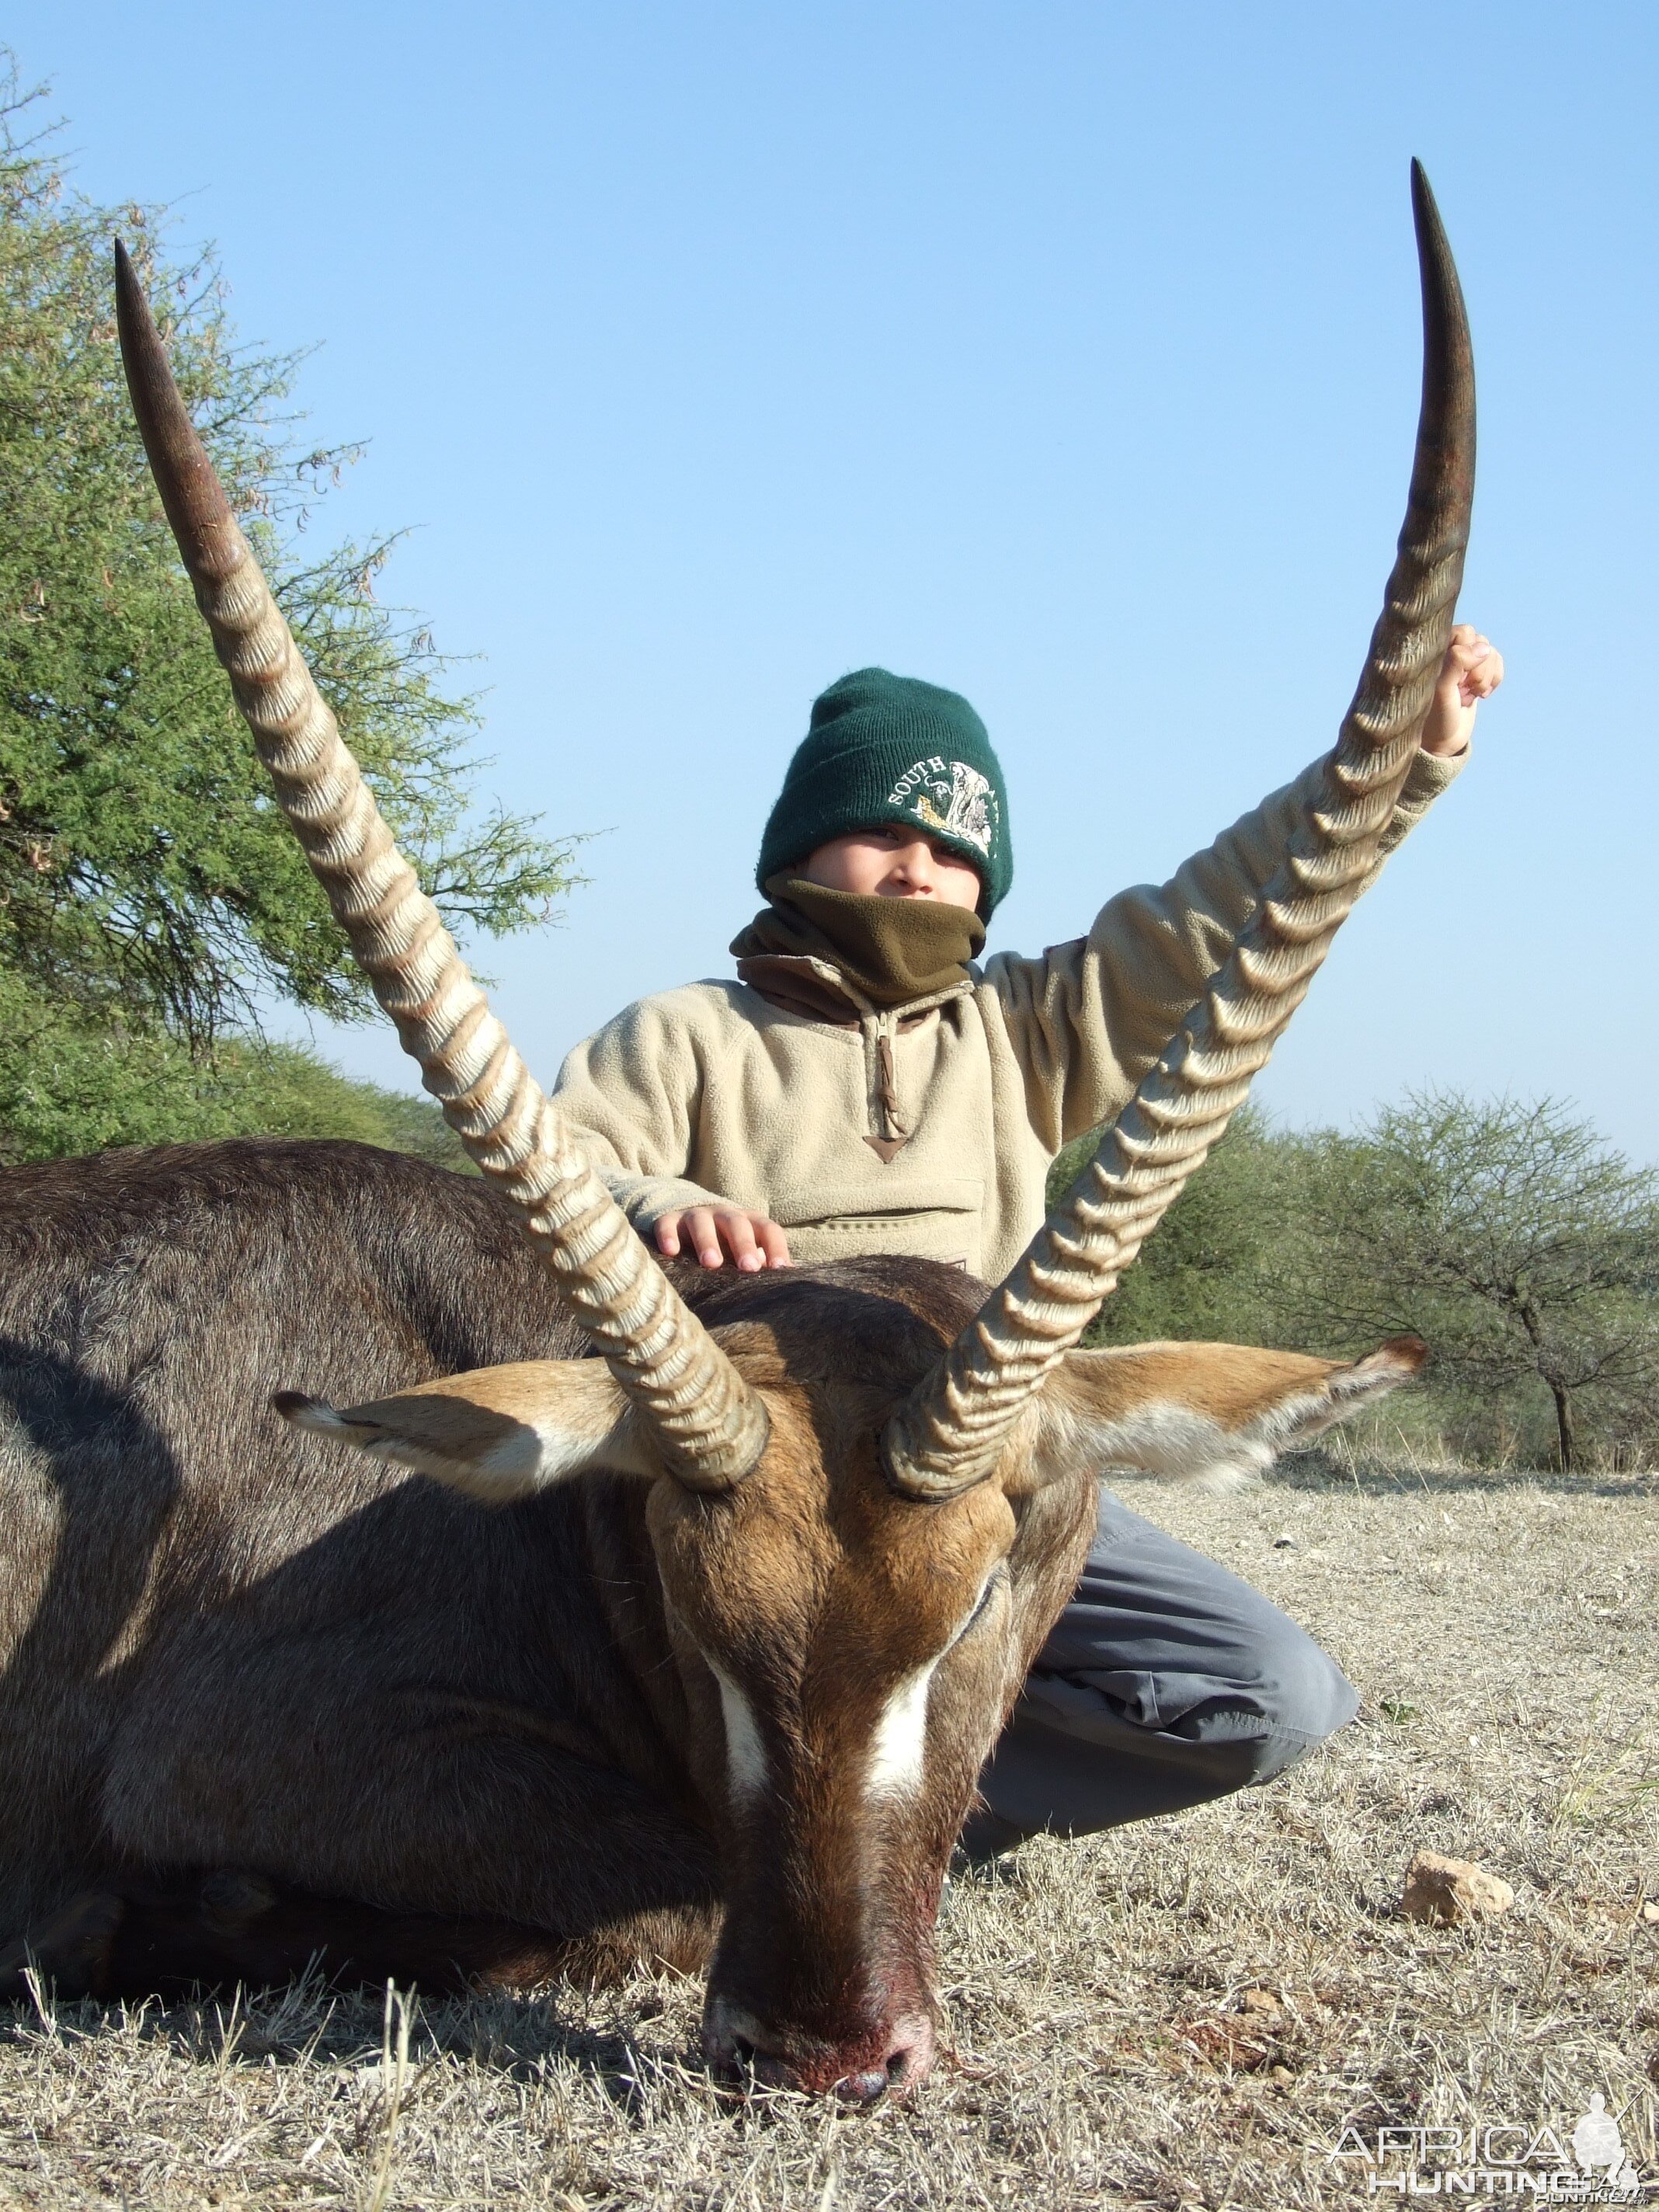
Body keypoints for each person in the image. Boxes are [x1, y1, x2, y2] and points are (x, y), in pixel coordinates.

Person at [553, 630, 1504, 1854]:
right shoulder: (687, 1031)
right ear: (799, 849)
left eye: (954, 850)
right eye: (885, 835)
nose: (918, 871)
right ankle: (734, 1797)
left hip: (968, 1471)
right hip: (761, 1492)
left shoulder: (1026, 1030)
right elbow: (556, 1162)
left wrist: (1396, 766)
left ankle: (871, 1819)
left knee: (1271, 1695)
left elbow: (1224, 911)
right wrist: (656, 1200)